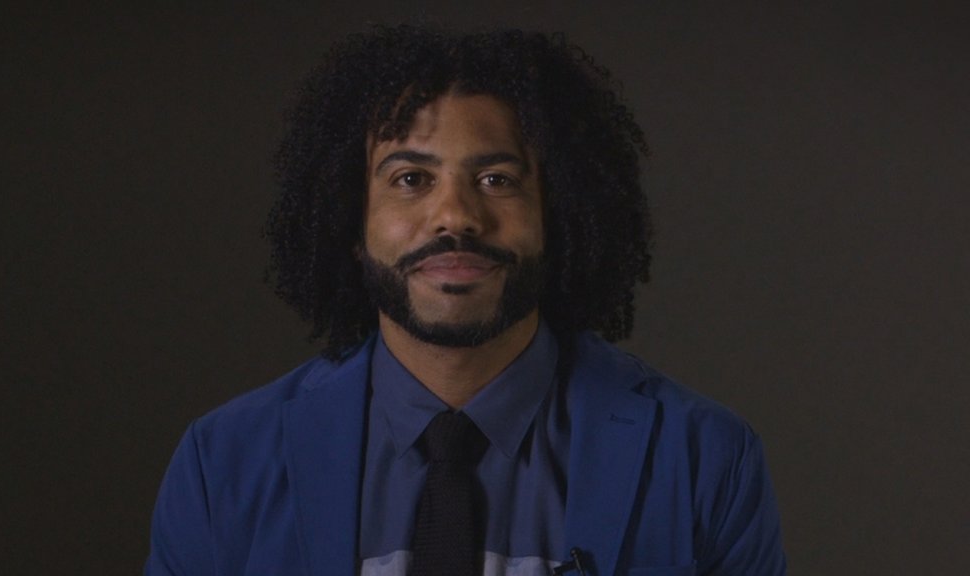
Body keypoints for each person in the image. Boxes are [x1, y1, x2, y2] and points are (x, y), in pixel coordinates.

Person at [145, 25, 787, 576]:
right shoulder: (221, 464)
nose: (455, 215)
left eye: (496, 179)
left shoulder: (704, 457)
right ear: (350, 222)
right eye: (410, 178)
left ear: (560, 216)